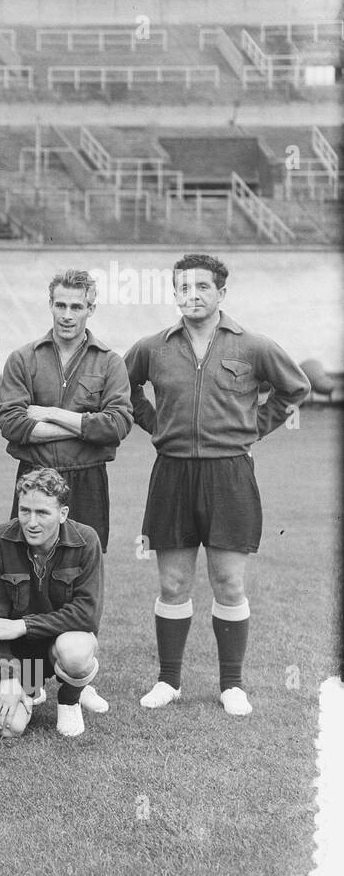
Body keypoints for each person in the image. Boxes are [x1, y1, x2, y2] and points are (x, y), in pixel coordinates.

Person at [125, 253, 310, 716]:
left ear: (221, 293)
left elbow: (295, 389)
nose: (192, 296)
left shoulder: (253, 345)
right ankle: (169, 681)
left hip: (229, 473)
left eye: (202, 288)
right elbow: (120, 390)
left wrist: (251, 429)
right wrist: (156, 424)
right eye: (184, 288)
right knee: (173, 582)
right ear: (174, 294)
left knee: (228, 582)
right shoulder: (152, 347)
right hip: (172, 472)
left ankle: (232, 685)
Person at [0, 269, 132, 551]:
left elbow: (116, 425)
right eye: (60, 305)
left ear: (90, 309)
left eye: (76, 307)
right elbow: (11, 424)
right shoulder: (23, 359)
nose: (67, 315)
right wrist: (85, 428)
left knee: (82, 569)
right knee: (27, 568)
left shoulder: (110, 362)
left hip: (87, 480)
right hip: (33, 476)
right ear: (50, 305)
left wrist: (51, 413)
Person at [0, 468, 107, 739]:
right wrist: (6, 674)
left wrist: (23, 625)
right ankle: (31, 688)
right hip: (20, 657)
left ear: (63, 513)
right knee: (9, 729)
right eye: (25, 511)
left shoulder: (86, 541)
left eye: (43, 513)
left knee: (76, 651)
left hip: (60, 645)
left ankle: (70, 699)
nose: (31, 522)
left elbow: (87, 614)